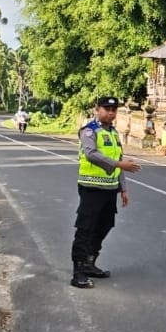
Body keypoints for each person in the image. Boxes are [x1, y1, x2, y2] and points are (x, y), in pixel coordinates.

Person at [70, 95, 141, 289]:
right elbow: (91, 154)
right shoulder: (89, 131)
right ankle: (78, 272)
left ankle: (90, 261)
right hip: (91, 187)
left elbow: (117, 159)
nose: (110, 113)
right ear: (97, 110)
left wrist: (123, 189)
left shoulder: (113, 133)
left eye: (113, 110)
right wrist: (119, 164)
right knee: (85, 227)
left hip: (109, 189)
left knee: (104, 225)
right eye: (106, 109)